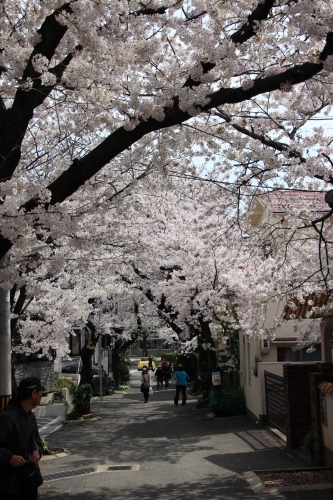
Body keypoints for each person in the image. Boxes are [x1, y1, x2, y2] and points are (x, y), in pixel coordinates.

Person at [0, 377, 45, 500]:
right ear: (34, 393)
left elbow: (37, 442)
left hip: (29, 482)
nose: (42, 395)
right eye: (40, 391)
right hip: (9, 487)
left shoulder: (31, 417)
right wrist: (9, 457)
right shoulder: (8, 418)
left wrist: (37, 452)